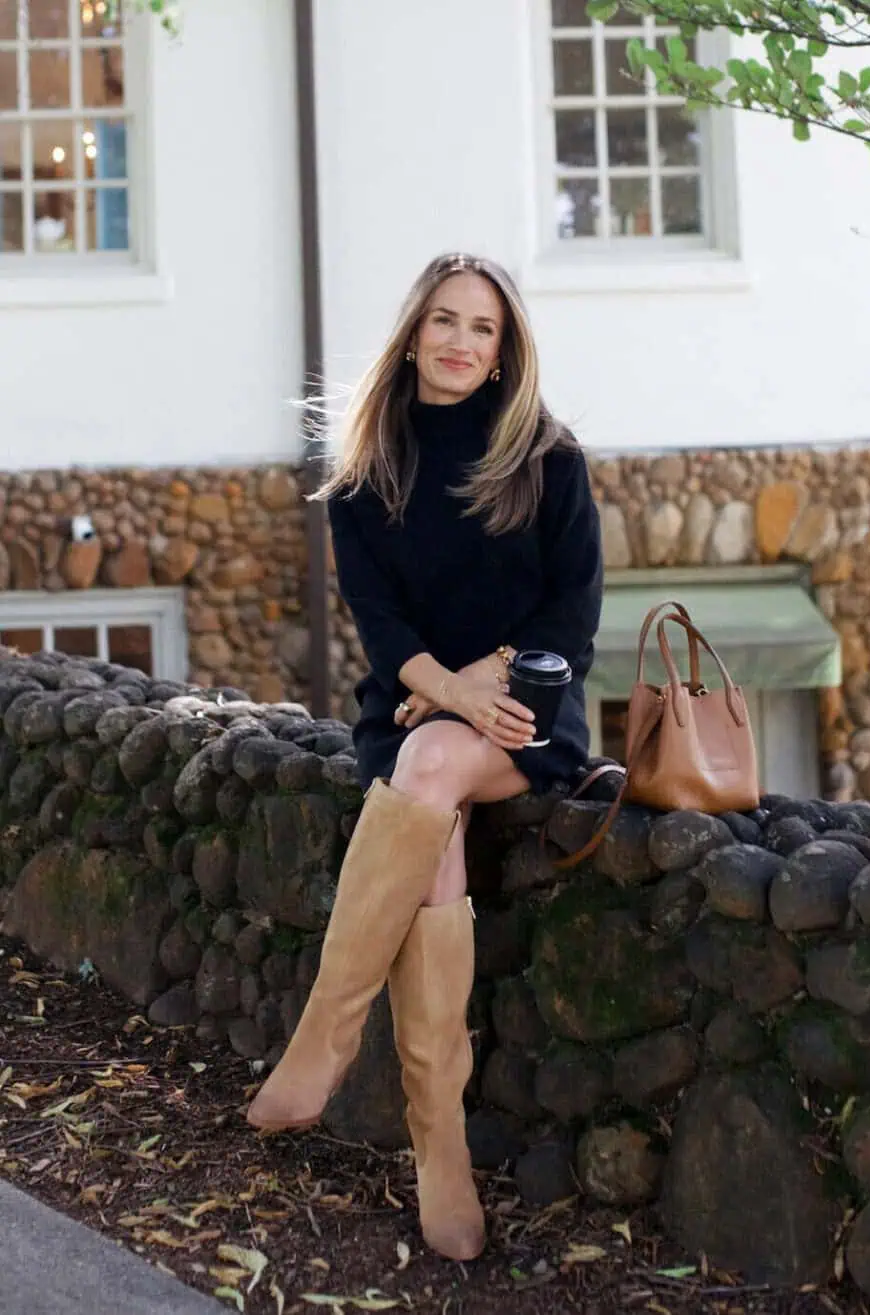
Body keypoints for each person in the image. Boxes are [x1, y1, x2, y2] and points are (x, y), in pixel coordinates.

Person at [247, 252, 604, 1262]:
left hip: (530, 713)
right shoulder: (368, 469)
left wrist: (478, 684)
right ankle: (438, 1152)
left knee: (432, 767)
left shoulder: (547, 458)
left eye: (481, 328)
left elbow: (572, 616)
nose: (459, 341)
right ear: (412, 334)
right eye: (443, 320)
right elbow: (380, 623)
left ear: (503, 352)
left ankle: (323, 1043)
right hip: (410, 715)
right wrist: (442, 692)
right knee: (428, 801)